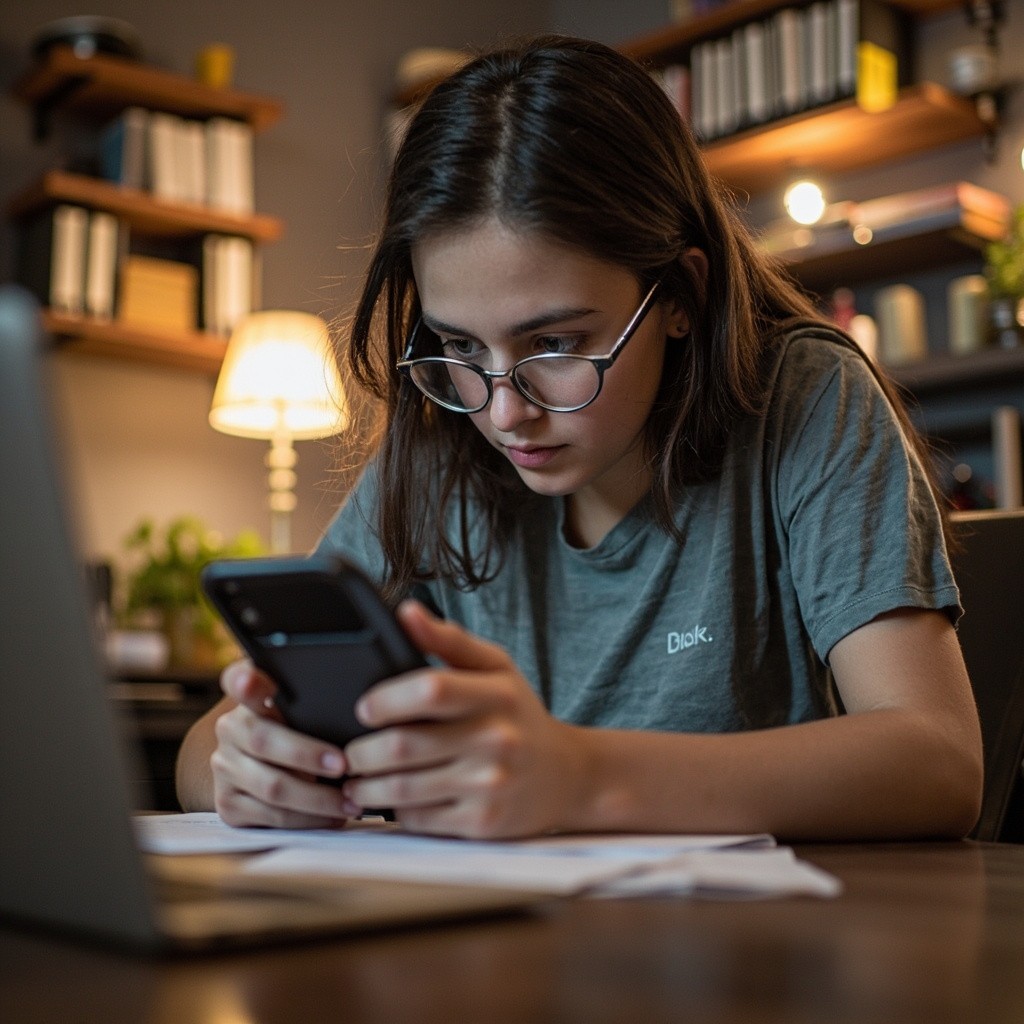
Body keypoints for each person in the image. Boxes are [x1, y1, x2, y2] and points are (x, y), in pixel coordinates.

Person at [177, 35, 982, 841]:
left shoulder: (806, 398)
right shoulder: (439, 443)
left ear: (681, 295)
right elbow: (203, 749)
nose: (503, 412)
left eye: (555, 344)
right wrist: (246, 768)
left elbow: (939, 760)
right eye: (461, 347)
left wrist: (580, 776)